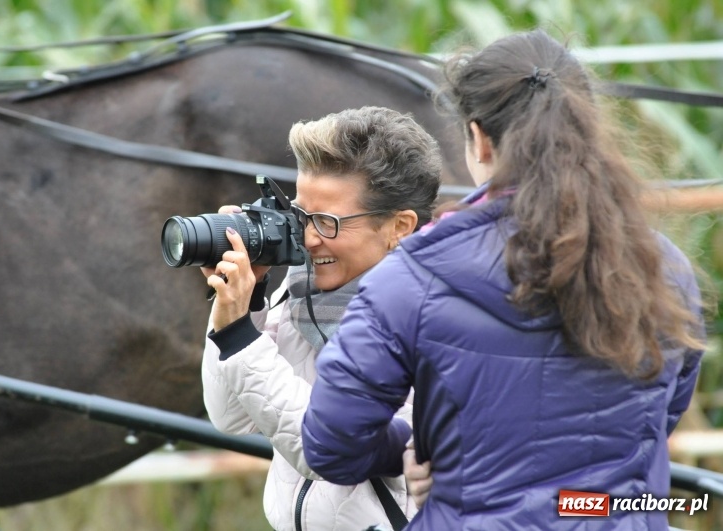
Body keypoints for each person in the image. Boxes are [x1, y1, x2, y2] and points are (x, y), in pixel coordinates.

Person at [301, 30, 707, 530]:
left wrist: (415, 447)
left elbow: (331, 443)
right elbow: (659, 416)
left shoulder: (411, 277)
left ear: (478, 139)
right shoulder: (664, 268)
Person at [201, 106, 442, 531]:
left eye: (327, 221)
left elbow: (326, 451)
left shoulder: (433, 316)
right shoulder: (303, 288)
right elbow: (231, 416)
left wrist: (240, 337)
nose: (309, 238)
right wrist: (245, 301)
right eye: (301, 214)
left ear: (399, 226)